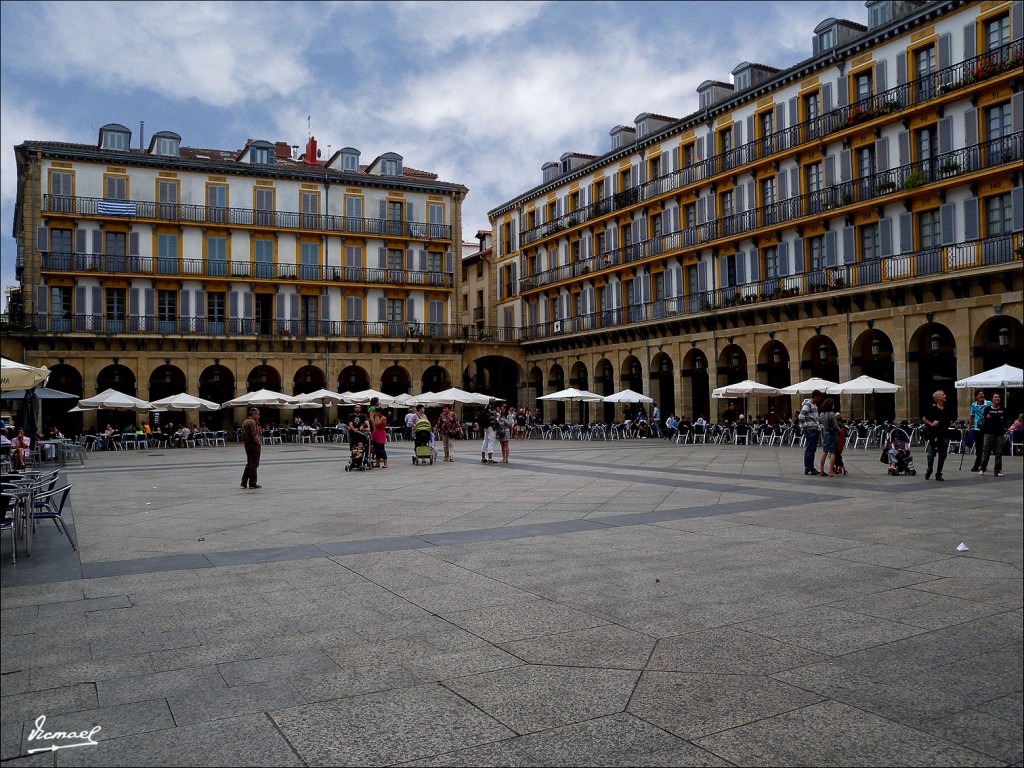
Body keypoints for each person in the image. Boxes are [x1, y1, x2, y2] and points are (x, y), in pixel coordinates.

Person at [921, 389, 952, 481]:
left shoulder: (947, 407)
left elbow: (949, 419)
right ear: (938, 398)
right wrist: (931, 424)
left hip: (944, 434)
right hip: (933, 434)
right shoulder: (931, 407)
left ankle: (939, 473)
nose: (945, 396)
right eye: (943, 395)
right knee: (930, 454)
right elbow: (924, 418)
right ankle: (929, 469)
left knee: (943, 455)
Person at [976, 392, 1006, 477]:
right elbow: (986, 419)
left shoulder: (1003, 409)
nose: (997, 399)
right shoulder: (987, 409)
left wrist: (993, 418)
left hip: (999, 433)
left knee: (998, 452)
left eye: (998, 397)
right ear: (992, 399)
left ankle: (997, 470)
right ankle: (982, 468)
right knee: (986, 451)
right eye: (995, 397)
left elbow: (1003, 420)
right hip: (988, 433)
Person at [798, 390, 823, 475]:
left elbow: (815, 417)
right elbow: (801, 416)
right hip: (810, 430)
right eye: (819, 398)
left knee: (812, 449)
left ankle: (811, 467)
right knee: (809, 449)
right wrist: (805, 427)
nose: (819, 400)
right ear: (815, 397)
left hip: (814, 429)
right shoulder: (808, 404)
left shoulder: (814, 405)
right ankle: (808, 468)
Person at [967, 389, 990, 473]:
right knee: (979, 447)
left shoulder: (988, 403)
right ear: (976, 396)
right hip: (977, 428)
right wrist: (969, 426)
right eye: (979, 394)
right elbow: (971, 416)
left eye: (982, 394)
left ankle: (982, 465)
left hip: (986, 428)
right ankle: (977, 465)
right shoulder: (973, 405)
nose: (981, 395)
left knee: (986, 448)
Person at [240, 407, 262, 489]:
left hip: (247, 445)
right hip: (253, 445)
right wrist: (259, 442)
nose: (259, 416)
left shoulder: (245, 421)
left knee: (249, 463)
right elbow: (254, 435)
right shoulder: (252, 422)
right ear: (254, 414)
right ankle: (252, 483)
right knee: (254, 464)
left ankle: (244, 482)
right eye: (258, 414)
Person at [817, 399, 840, 477]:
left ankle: (822, 470)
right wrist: (839, 430)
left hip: (825, 434)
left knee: (824, 452)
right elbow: (835, 426)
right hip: (833, 434)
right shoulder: (832, 414)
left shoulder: (821, 414)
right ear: (830, 405)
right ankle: (831, 471)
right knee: (833, 452)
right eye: (833, 404)